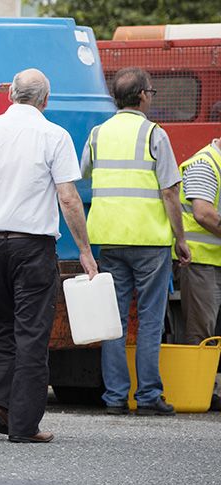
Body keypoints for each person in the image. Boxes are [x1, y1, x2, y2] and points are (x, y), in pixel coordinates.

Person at [0, 68, 98, 443]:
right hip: (32, 246)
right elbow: (67, 197)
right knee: (32, 332)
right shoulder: (53, 135)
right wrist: (84, 249)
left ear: (11, 96)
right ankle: (25, 425)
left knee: (1, 326)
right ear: (44, 100)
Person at [81, 67, 191, 417]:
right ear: (142, 95)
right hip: (149, 241)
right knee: (150, 318)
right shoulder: (153, 134)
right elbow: (170, 193)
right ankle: (148, 396)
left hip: (109, 240)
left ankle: (114, 398)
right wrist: (181, 239)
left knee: (114, 321)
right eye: (152, 92)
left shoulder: (98, 134)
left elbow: (81, 174)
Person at [173, 135, 221, 411]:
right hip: (201, 261)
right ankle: (199, 391)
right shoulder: (205, 164)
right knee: (201, 329)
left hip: (214, 260)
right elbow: (204, 213)